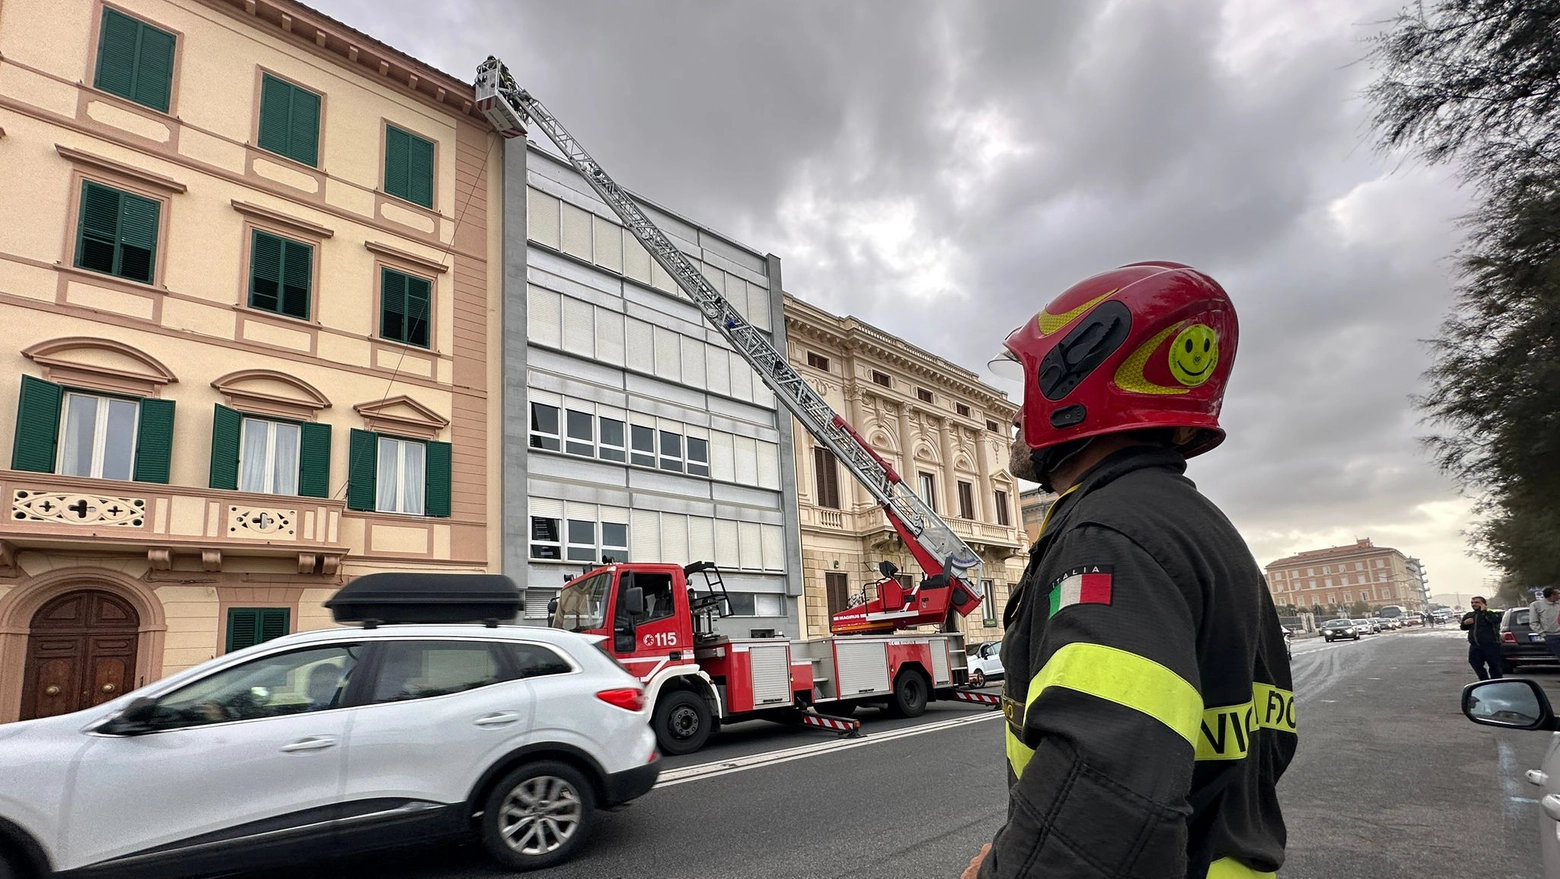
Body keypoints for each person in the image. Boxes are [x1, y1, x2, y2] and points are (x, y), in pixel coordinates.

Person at [964, 262, 1295, 879]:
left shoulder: (1107, 537)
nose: (1016, 415)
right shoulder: (1196, 526)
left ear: (1078, 383)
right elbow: (1264, 735)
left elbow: (1106, 783)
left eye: (1029, 387)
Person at [1461, 596, 1504, 680]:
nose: (1474, 604)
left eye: (1477, 602)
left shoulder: (1491, 613)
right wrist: (1465, 623)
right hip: (1475, 646)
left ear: (1484, 604)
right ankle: (1484, 680)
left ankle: (1497, 682)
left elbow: (1495, 620)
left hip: (1491, 645)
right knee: (1475, 663)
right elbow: (1463, 627)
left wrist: (1484, 611)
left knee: (1495, 666)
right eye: (1472, 603)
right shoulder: (1469, 615)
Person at [1528, 587, 1560, 661]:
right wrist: (1543, 634)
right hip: (1552, 636)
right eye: (1558, 594)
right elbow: (1533, 622)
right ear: (1552, 595)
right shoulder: (1536, 605)